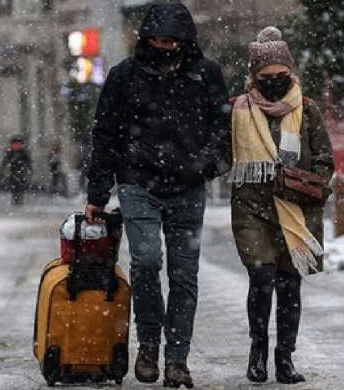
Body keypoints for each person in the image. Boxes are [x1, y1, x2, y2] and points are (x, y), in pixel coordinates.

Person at [84, 3, 230, 388]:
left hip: (188, 186)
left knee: (184, 275)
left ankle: (177, 359)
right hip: (137, 183)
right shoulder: (124, 77)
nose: (166, 47)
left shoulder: (205, 75)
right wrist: (97, 193)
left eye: (174, 41)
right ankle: (148, 343)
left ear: (186, 42)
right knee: (146, 260)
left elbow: (222, 125)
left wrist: (206, 164)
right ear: (146, 38)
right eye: (159, 40)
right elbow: (105, 134)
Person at [227, 26, 335, 384]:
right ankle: (257, 352)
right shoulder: (238, 111)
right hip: (251, 208)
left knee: (290, 285)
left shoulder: (306, 109)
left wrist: (309, 184)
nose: (274, 82)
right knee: (261, 279)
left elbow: (324, 158)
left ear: (291, 74)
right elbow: (223, 155)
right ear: (253, 77)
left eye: (281, 76)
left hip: (296, 209)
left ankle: (284, 358)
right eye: (265, 77)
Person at [0, 136, 32, 206]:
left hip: (18, 171)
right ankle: (17, 199)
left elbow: (28, 161)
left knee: (18, 186)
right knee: (17, 186)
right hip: (16, 171)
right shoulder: (18, 152)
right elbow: (28, 161)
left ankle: (17, 199)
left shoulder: (18, 152)